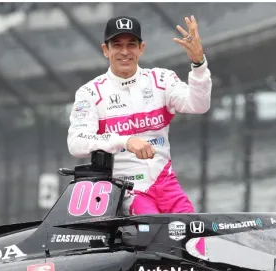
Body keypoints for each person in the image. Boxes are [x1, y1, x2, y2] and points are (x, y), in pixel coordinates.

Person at [67, 15, 212, 215]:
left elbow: (199, 105)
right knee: (152, 229)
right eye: (117, 45)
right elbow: (76, 143)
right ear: (105, 50)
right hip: (126, 188)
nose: (125, 52)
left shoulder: (161, 79)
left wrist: (198, 64)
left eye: (131, 45)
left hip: (166, 183)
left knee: (193, 236)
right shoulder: (90, 93)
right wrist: (125, 141)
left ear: (141, 48)